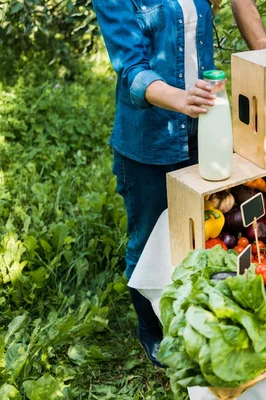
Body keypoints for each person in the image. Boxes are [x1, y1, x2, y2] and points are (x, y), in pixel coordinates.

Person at [92, 0, 218, 367]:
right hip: (149, 141)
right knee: (148, 238)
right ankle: (152, 328)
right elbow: (131, 69)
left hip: (203, 127)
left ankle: (192, 314)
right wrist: (182, 100)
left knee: (199, 230)